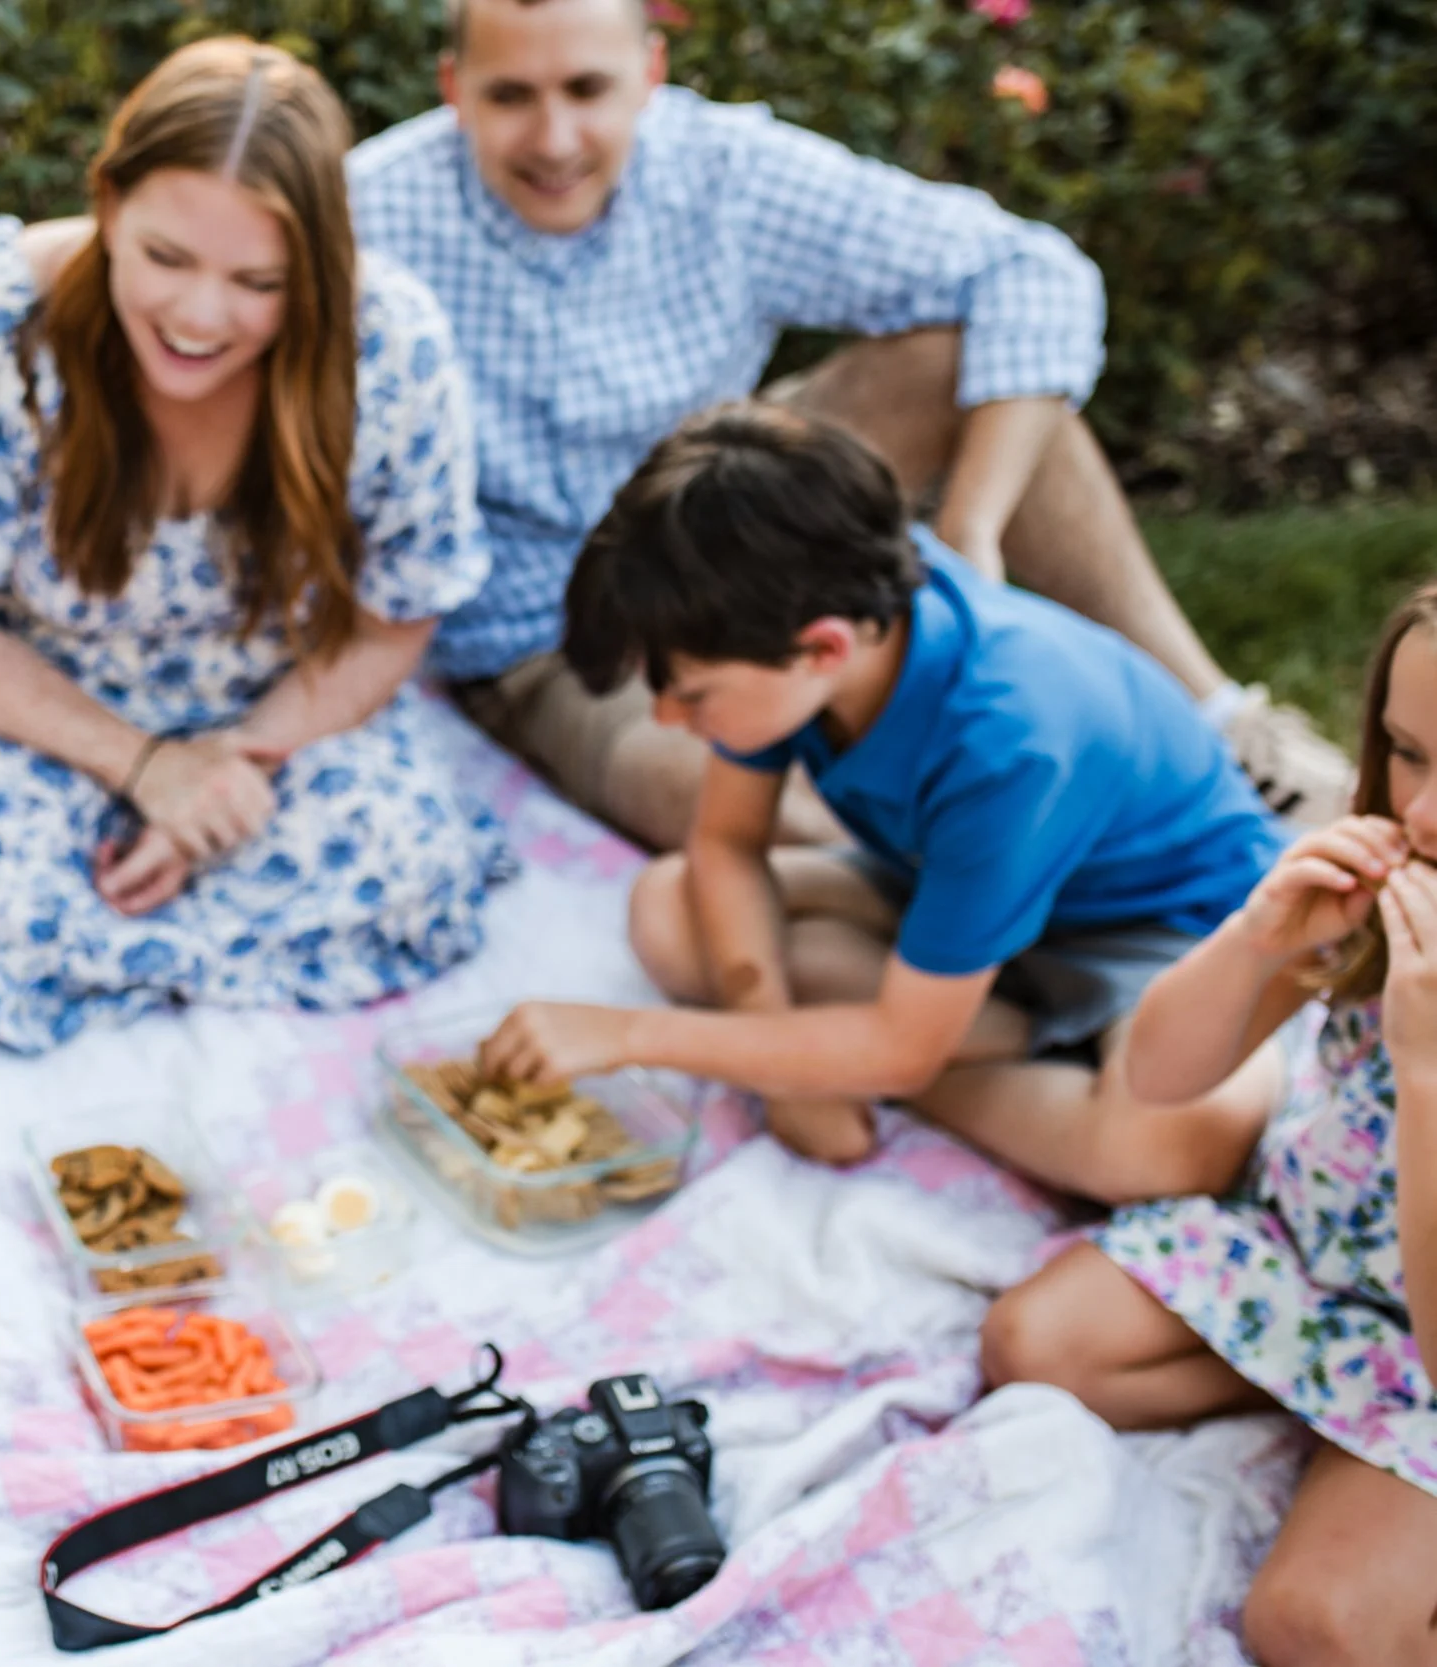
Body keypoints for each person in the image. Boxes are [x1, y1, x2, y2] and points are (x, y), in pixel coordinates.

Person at [346, 0, 1352, 850]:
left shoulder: (723, 167)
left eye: (586, 91)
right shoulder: (371, 214)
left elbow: (1025, 269)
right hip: (544, 632)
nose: (555, 139)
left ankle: (1220, 722)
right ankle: (1004, 871)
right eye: (511, 96)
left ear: (649, 73)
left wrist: (968, 529)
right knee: (735, 809)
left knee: (969, 361)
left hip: (719, 508)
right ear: (451, 89)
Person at [0, 38, 509, 1051]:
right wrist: (144, 768)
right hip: (32, 701)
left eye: (256, 281)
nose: (197, 315)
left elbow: (392, 622)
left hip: (270, 711)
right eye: (165, 257)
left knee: (410, 867)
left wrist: (227, 771)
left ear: (317, 266)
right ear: (106, 204)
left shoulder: (391, 347)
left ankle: (98, 959)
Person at [478, 404, 1284, 1194]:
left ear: (823, 646)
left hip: (1157, 936)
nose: (666, 717)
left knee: (1173, 1144)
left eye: (692, 694)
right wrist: (779, 1055)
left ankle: (953, 1054)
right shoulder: (805, 623)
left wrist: (627, 1035)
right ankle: (957, 1034)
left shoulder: (1010, 739)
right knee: (667, 904)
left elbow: (900, 1042)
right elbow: (726, 844)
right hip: (955, 897)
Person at [978, 582, 1437, 1667]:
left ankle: (1367, 1444)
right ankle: (1329, 1400)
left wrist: (1424, 1074)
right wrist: (1258, 936)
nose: (1420, 814)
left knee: (1312, 1625)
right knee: (1032, 1346)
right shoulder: (1384, 881)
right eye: (1409, 752)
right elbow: (1161, 1072)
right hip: (1306, 1248)